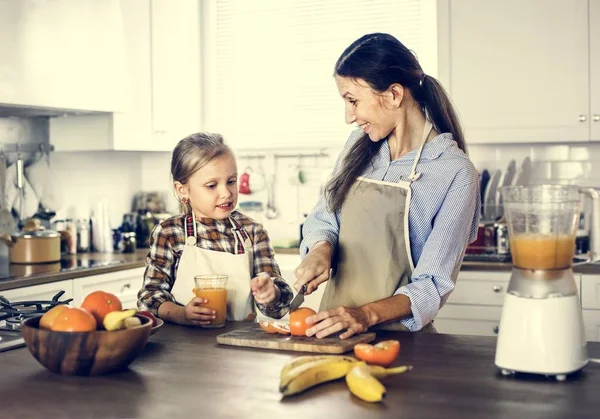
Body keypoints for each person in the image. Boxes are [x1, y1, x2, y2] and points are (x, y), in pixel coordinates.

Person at [295, 33, 480, 339]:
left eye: (353, 101)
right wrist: (320, 249)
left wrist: (365, 315)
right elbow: (324, 218)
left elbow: (433, 284)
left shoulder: (456, 173)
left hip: (402, 343)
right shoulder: (358, 145)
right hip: (336, 335)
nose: (348, 117)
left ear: (394, 94)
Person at [138, 133, 293, 326]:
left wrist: (271, 293)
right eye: (212, 185)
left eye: (231, 181)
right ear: (182, 190)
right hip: (181, 346)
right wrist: (181, 314)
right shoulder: (169, 233)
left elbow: (281, 307)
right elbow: (149, 297)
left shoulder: (252, 232)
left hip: (237, 346)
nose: (226, 193)